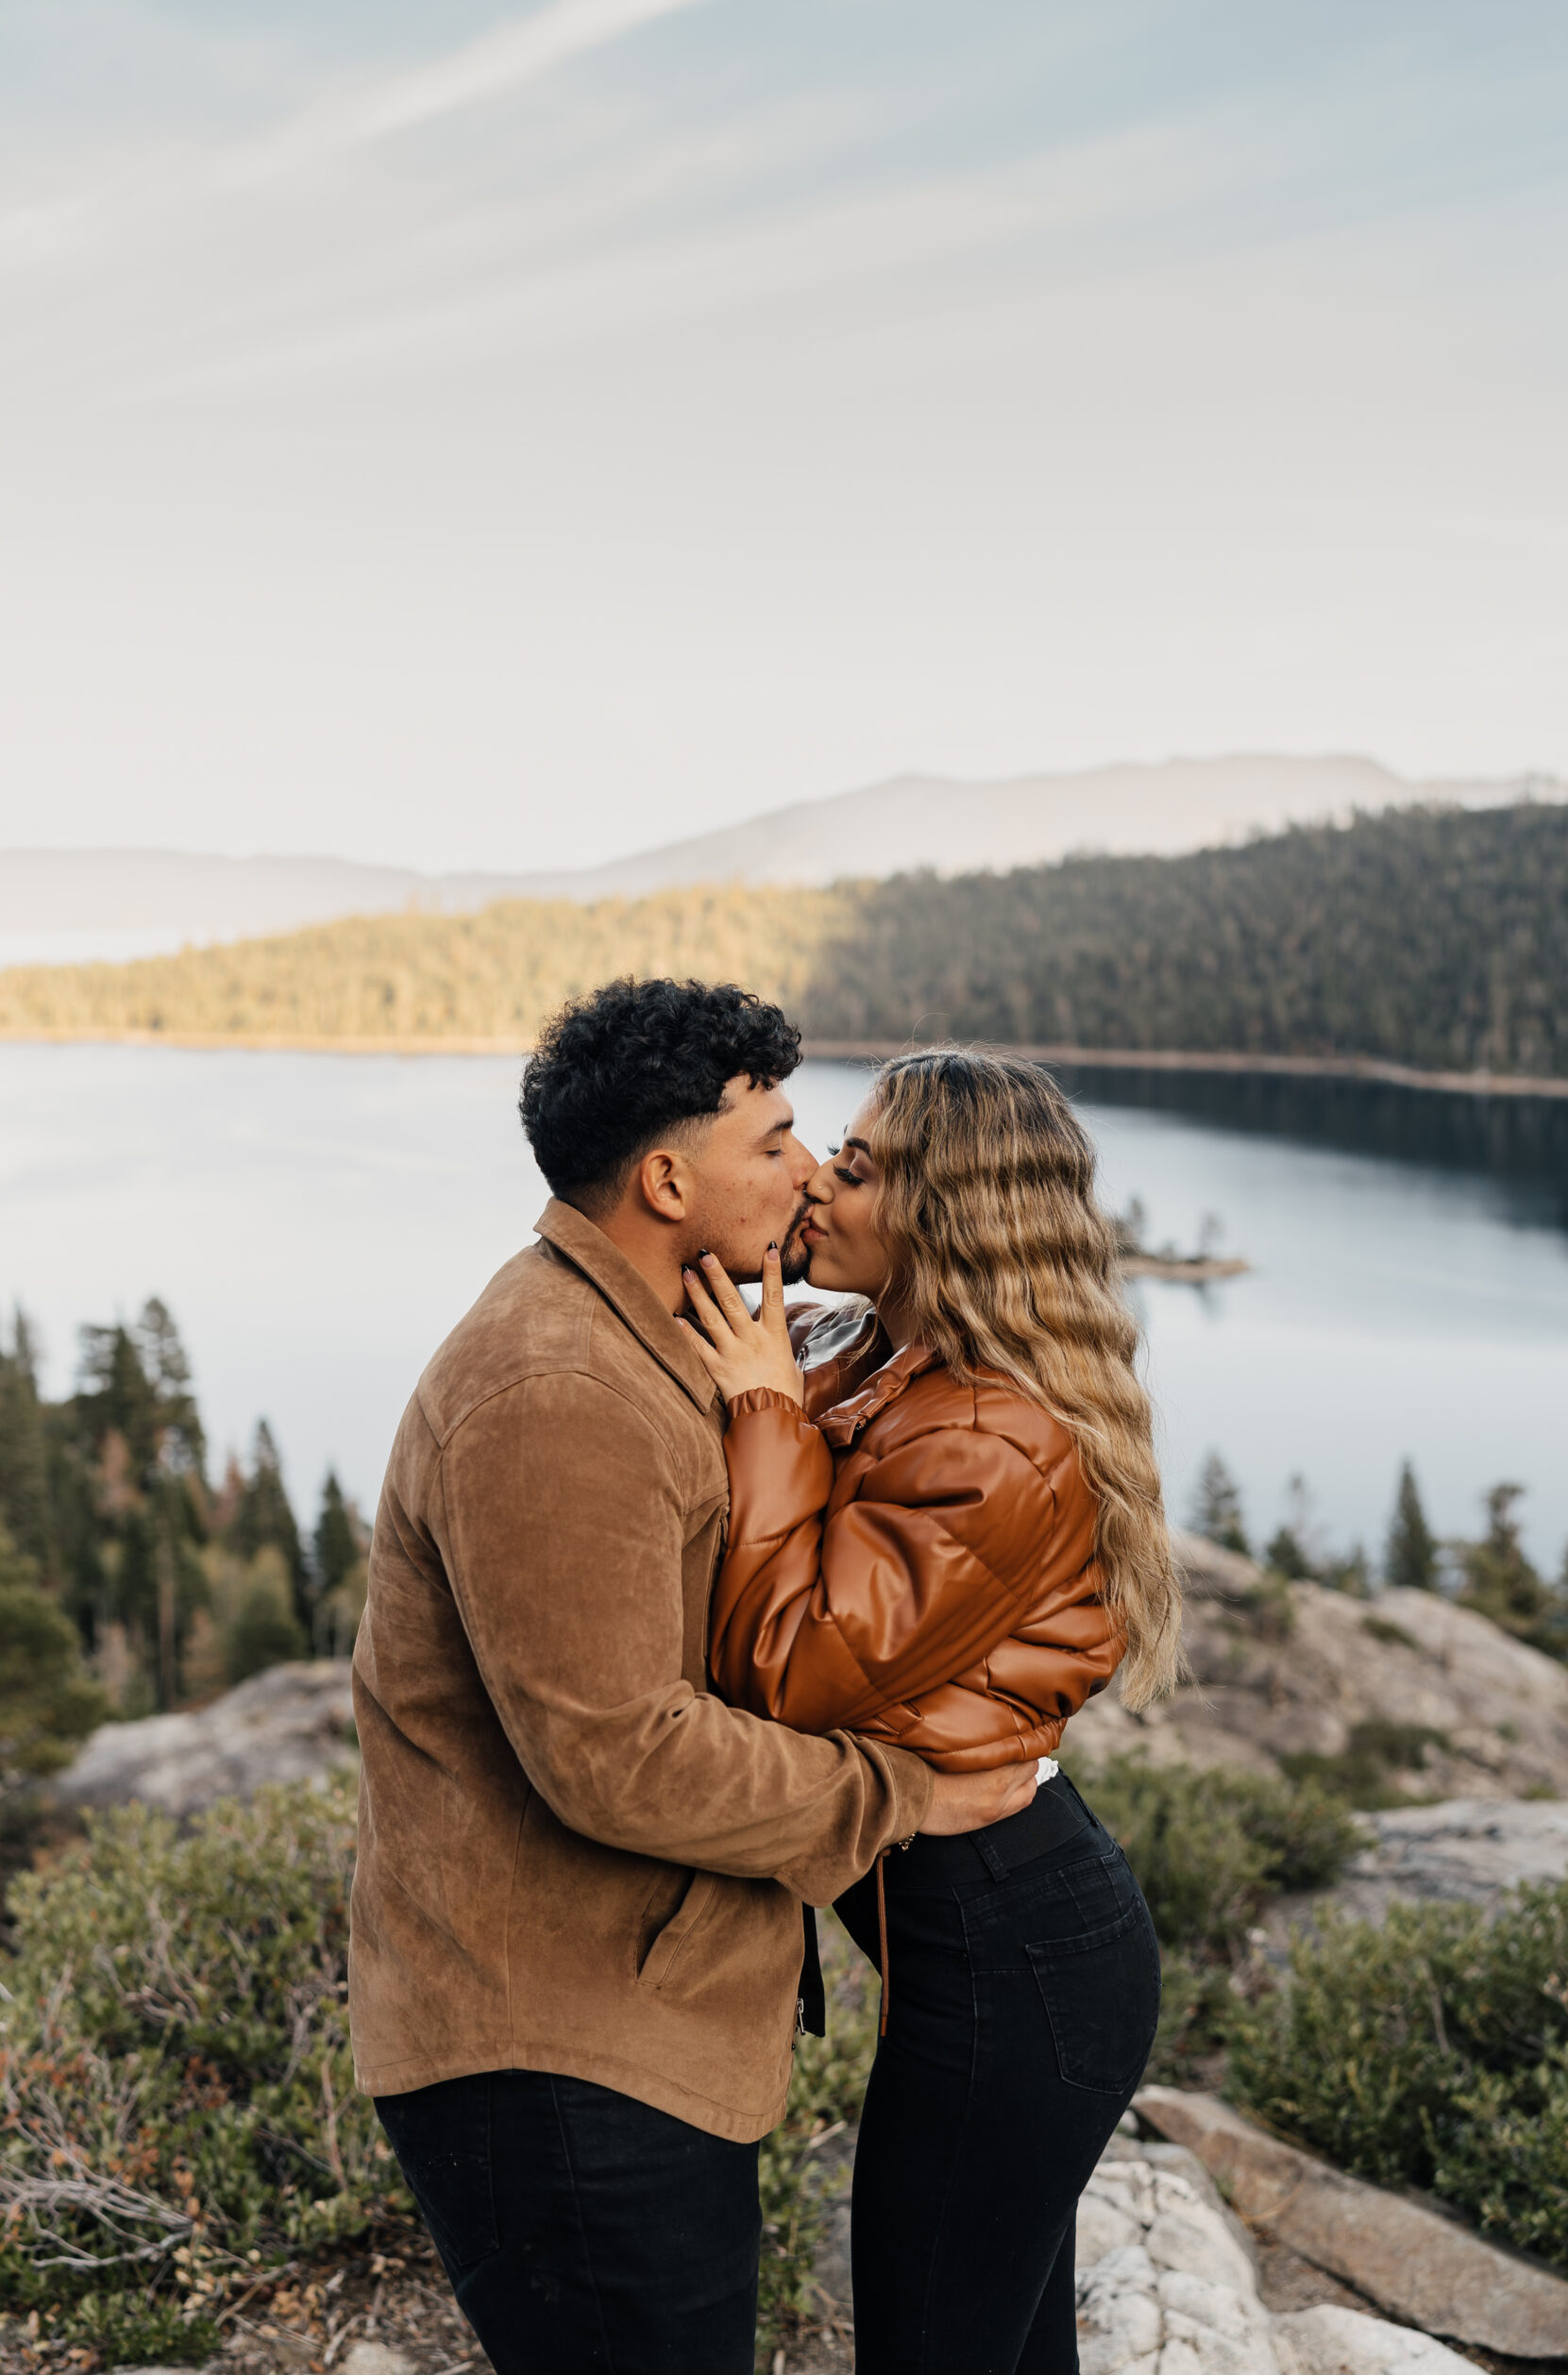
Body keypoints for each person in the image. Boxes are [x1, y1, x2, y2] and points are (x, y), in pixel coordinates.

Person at [348, 982, 1037, 2375]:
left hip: (618, 2018)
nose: (813, 1171)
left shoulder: (661, 1331)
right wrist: (893, 1794)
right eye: (778, 1140)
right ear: (668, 1179)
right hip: (558, 2055)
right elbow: (619, 1753)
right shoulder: (558, 1388)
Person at [683, 1045, 1182, 2375]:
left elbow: (791, 1670)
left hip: (1021, 1965)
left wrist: (766, 1423)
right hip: (992, 1945)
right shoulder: (877, 1355)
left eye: (851, 1168)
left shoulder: (993, 1440)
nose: (814, 1187)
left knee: (929, 2349)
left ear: (941, 1212)